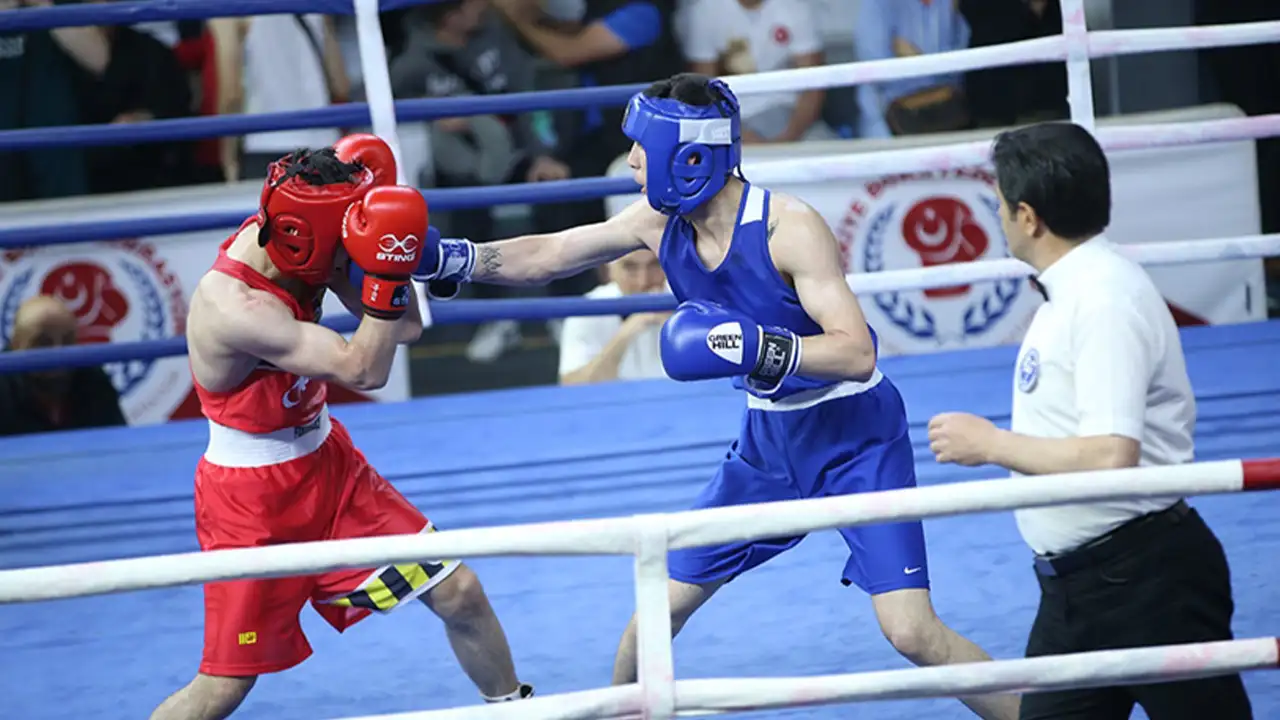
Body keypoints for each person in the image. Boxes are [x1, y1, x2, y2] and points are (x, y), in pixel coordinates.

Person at [408, 73, 1020, 720]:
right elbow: (553, 253)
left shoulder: (789, 227)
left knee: (912, 633)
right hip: (768, 445)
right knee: (656, 611)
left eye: (643, 147)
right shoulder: (657, 223)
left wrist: (760, 348)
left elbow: (856, 352)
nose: (632, 161)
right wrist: (456, 260)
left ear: (690, 158)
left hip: (855, 436)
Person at [150, 134, 533, 720]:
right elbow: (365, 368)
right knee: (225, 686)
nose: (345, 257)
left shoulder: (304, 239)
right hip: (252, 504)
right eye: (343, 245)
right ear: (307, 238)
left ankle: (516, 710)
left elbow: (405, 328)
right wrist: (383, 270)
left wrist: (387, 252)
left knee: (459, 592)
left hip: (331, 469)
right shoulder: (235, 307)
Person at [927, 122, 1252, 720]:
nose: (997, 216)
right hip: (1079, 588)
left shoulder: (1104, 299)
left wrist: (992, 444)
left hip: (1147, 582)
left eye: (1000, 203)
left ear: (1029, 217)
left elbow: (1110, 455)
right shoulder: (1073, 290)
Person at [0, 295, 126, 437]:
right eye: (43, 343)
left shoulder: (93, 378)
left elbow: (120, 442)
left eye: (67, 341)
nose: (58, 355)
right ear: (16, 345)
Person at [558, 249, 668, 385]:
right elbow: (571, 387)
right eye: (630, 267)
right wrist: (624, 336)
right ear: (609, 270)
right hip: (616, 399)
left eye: (654, 264)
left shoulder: (686, 303)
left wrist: (678, 329)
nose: (643, 281)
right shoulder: (586, 310)